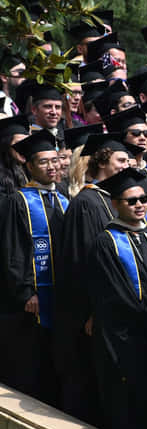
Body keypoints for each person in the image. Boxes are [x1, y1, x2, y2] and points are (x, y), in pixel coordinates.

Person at [85, 168, 147, 429]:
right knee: (129, 402)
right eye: (131, 201)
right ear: (115, 204)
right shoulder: (106, 242)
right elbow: (117, 294)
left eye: (143, 198)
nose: (139, 205)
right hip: (125, 338)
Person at [55, 133, 134, 423]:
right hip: (92, 312)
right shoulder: (88, 203)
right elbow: (83, 263)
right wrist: (90, 311)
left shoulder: (111, 200)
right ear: (103, 161)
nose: (128, 165)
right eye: (121, 160)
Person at [0, 131, 68, 403]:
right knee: (32, 363)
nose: (52, 167)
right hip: (32, 301)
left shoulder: (65, 199)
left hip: (61, 296)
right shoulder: (18, 201)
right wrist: (26, 291)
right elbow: (11, 250)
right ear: (28, 166)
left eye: (55, 161)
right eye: (43, 162)